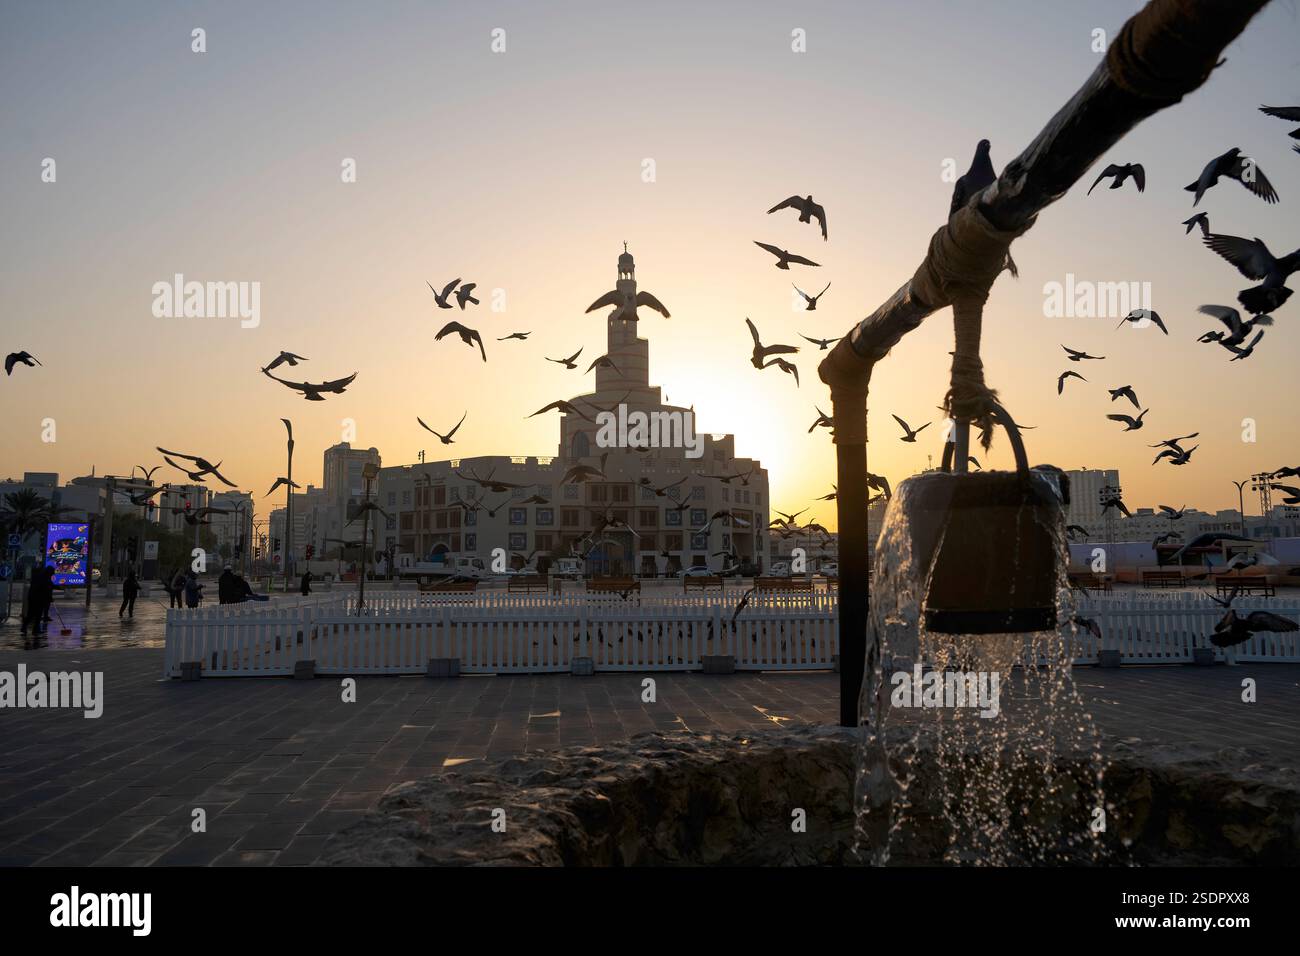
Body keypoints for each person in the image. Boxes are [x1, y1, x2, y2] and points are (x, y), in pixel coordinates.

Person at [20, 565, 52, 635]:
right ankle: (32, 629)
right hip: (38, 599)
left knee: (33, 614)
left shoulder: (39, 577)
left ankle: (29, 628)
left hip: (33, 598)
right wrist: (48, 597)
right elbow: (45, 589)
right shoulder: (44, 578)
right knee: (35, 615)